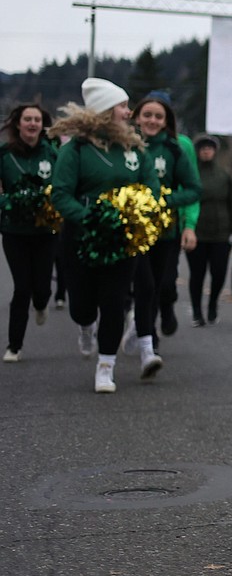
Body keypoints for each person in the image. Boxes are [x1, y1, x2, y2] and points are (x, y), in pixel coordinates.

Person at [48, 78, 159, 393]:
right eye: (122, 106)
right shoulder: (77, 150)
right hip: (82, 237)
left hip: (122, 237)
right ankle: (85, 326)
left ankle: (106, 366)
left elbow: (151, 186)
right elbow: (60, 194)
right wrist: (90, 218)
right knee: (81, 304)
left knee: (114, 301)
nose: (128, 112)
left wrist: (134, 213)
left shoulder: (134, 149)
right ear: (105, 111)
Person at [126, 93, 202, 376]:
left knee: (163, 285)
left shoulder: (175, 149)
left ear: (167, 121)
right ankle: (150, 343)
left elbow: (194, 189)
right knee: (144, 287)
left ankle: (157, 319)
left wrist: (163, 200)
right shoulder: (125, 146)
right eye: (147, 115)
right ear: (136, 117)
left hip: (165, 231)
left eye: (159, 116)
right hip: (132, 231)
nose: (152, 121)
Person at [0, 104, 58, 362]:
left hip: (45, 231)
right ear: (18, 124)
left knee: (42, 286)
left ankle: (42, 302)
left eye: (37, 119)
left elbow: (63, 185)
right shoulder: (4, 155)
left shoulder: (52, 153)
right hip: (14, 230)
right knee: (22, 287)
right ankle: (14, 345)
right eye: (28, 119)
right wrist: (10, 203)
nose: (32, 124)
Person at [187, 133, 232, 327]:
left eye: (209, 148)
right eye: (202, 148)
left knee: (219, 273)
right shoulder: (191, 173)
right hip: (197, 233)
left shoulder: (224, 174)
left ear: (215, 151)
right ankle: (196, 312)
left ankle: (212, 306)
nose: (206, 151)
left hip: (221, 233)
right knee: (197, 274)